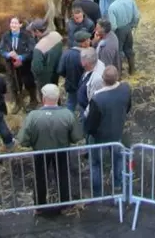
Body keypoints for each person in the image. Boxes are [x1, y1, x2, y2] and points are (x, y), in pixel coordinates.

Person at [17, 84, 83, 215]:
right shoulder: (67, 114)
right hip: (61, 150)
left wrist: (33, 143)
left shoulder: (33, 116)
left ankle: (40, 206)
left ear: (43, 98)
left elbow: (23, 140)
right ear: (58, 98)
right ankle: (65, 203)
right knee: (63, 175)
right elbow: (76, 137)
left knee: (40, 177)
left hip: (40, 151)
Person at [85, 66, 131, 196]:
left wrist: (88, 132)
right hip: (116, 131)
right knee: (118, 158)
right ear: (117, 77)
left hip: (99, 136)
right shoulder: (125, 89)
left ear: (103, 80)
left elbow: (91, 123)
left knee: (95, 164)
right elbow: (128, 107)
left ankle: (97, 192)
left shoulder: (98, 98)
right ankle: (117, 185)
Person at [0, 17, 38, 113]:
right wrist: (8, 55)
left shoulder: (27, 35)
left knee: (29, 82)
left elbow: (32, 50)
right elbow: (1, 49)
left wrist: (21, 58)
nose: (13, 25)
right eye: (12, 23)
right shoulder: (6, 36)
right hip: (11, 66)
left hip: (25, 65)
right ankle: (18, 102)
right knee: (14, 84)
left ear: (20, 25)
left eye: (16, 23)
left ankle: (33, 100)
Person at [108, 0, 140, 75]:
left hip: (119, 30)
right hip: (128, 28)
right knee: (129, 49)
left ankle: (118, 74)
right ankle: (132, 71)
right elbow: (137, 16)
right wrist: (132, 26)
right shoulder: (130, 1)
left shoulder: (112, 7)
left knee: (119, 52)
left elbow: (113, 26)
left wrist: (112, 35)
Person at [58, 31, 89, 112]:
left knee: (71, 104)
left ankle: (68, 121)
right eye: (88, 40)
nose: (90, 41)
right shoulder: (87, 56)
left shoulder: (66, 53)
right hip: (84, 86)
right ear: (83, 43)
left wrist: (68, 76)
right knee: (84, 106)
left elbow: (60, 70)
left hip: (71, 85)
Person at [29, 19, 64, 89]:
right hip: (56, 72)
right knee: (54, 91)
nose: (32, 33)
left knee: (45, 96)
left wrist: (36, 78)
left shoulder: (39, 48)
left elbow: (37, 69)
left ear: (37, 31)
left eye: (32, 31)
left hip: (44, 80)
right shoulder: (57, 35)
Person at [78, 47, 105, 116]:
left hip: (87, 110)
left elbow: (94, 101)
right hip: (83, 104)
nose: (81, 63)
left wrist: (86, 114)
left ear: (86, 64)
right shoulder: (96, 62)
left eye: (82, 61)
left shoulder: (97, 79)